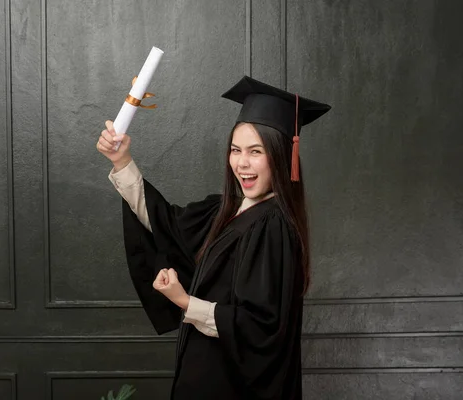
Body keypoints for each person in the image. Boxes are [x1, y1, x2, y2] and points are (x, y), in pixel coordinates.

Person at [96, 76, 331, 399]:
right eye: (235, 150)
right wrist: (122, 161)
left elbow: (260, 328)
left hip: (233, 388)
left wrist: (183, 301)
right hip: (202, 376)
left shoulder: (274, 227)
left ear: (280, 156)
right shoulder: (223, 211)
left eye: (255, 151)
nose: (242, 163)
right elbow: (165, 224)